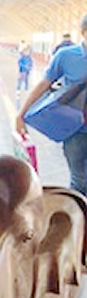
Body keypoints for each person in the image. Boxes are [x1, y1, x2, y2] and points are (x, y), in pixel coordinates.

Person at [17, 15, 87, 194]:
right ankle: (79, 209)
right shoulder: (66, 56)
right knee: (79, 181)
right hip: (75, 130)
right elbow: (43, 84)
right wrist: (21, 114)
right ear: (83, 32)